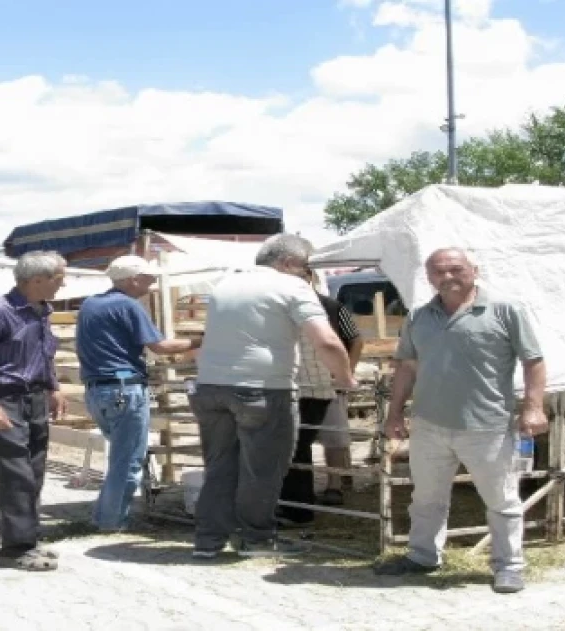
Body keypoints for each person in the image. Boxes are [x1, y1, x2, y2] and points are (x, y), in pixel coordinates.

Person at [373, 248, 547, 595]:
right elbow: (406, 366)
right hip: (429, 424)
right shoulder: (419, 317)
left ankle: (508, 566)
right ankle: (423, 557)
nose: (448, 277)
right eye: (439, 271)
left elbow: (533, 360)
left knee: (501, 499)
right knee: (426, 497)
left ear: (474, 270)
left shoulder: (505, 310)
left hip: (488, 425)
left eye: (456, 269)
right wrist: (394, 414)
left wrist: (533, 406)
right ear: (429, 277)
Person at [189, 233, 357, 559]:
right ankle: (256, 539)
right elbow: (327, 341)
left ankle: (208, 541)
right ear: (288, 263)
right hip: (264, 386)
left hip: (210, 386)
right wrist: (345, 377)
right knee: (263, 469)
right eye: (305, 266)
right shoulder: (292, 287)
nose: (308, 273)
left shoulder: (225, 284)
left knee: (220, 467)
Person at [0, 251, 69, 571]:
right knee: (15, 473)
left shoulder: (41, 311)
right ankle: (15, 549)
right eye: (59, 278)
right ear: (37, 280)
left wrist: (53, 387)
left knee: (33, 470)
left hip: (33, 399)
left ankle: (28, 538)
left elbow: (42, 355)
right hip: (2, 399)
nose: (64, 284)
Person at [75, 255, 200, 531]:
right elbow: (161, 346)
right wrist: (202, 340)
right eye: (148, 277)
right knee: (128, 460)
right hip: (123, 388)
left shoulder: (90, 304)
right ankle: (111, 522)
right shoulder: (128, 305)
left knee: (121, 457)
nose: (152, 282)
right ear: (133, 279)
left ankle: (104, 515)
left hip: (97, 390)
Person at [277, 271, 363, 525]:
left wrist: (345, 373)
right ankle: (297, 504)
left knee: (332, 438)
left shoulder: (331, 306)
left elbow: (354, 340)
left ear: (309, 277)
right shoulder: (281, 305)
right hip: (296, 384)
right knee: (298, 445)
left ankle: (331, 487)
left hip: (324, 381)